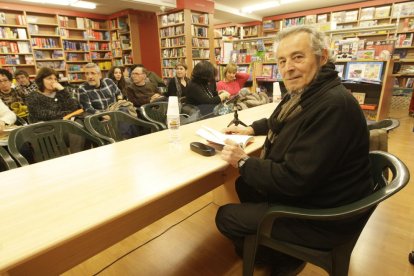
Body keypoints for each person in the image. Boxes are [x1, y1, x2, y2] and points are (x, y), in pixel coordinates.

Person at [215, 25, 372, 275]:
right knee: (244, 186)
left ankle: (284, 258)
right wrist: (250, 130)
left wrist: (243, 162)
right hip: (319, 191)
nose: (288, 67)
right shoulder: (310, 92)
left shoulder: (333, 106)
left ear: (322, 57)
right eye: (282, 60)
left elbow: (293, 180)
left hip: (323, 215)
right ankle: (277, 246)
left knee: (225, 217)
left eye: (298, 57)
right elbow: (280, 121)